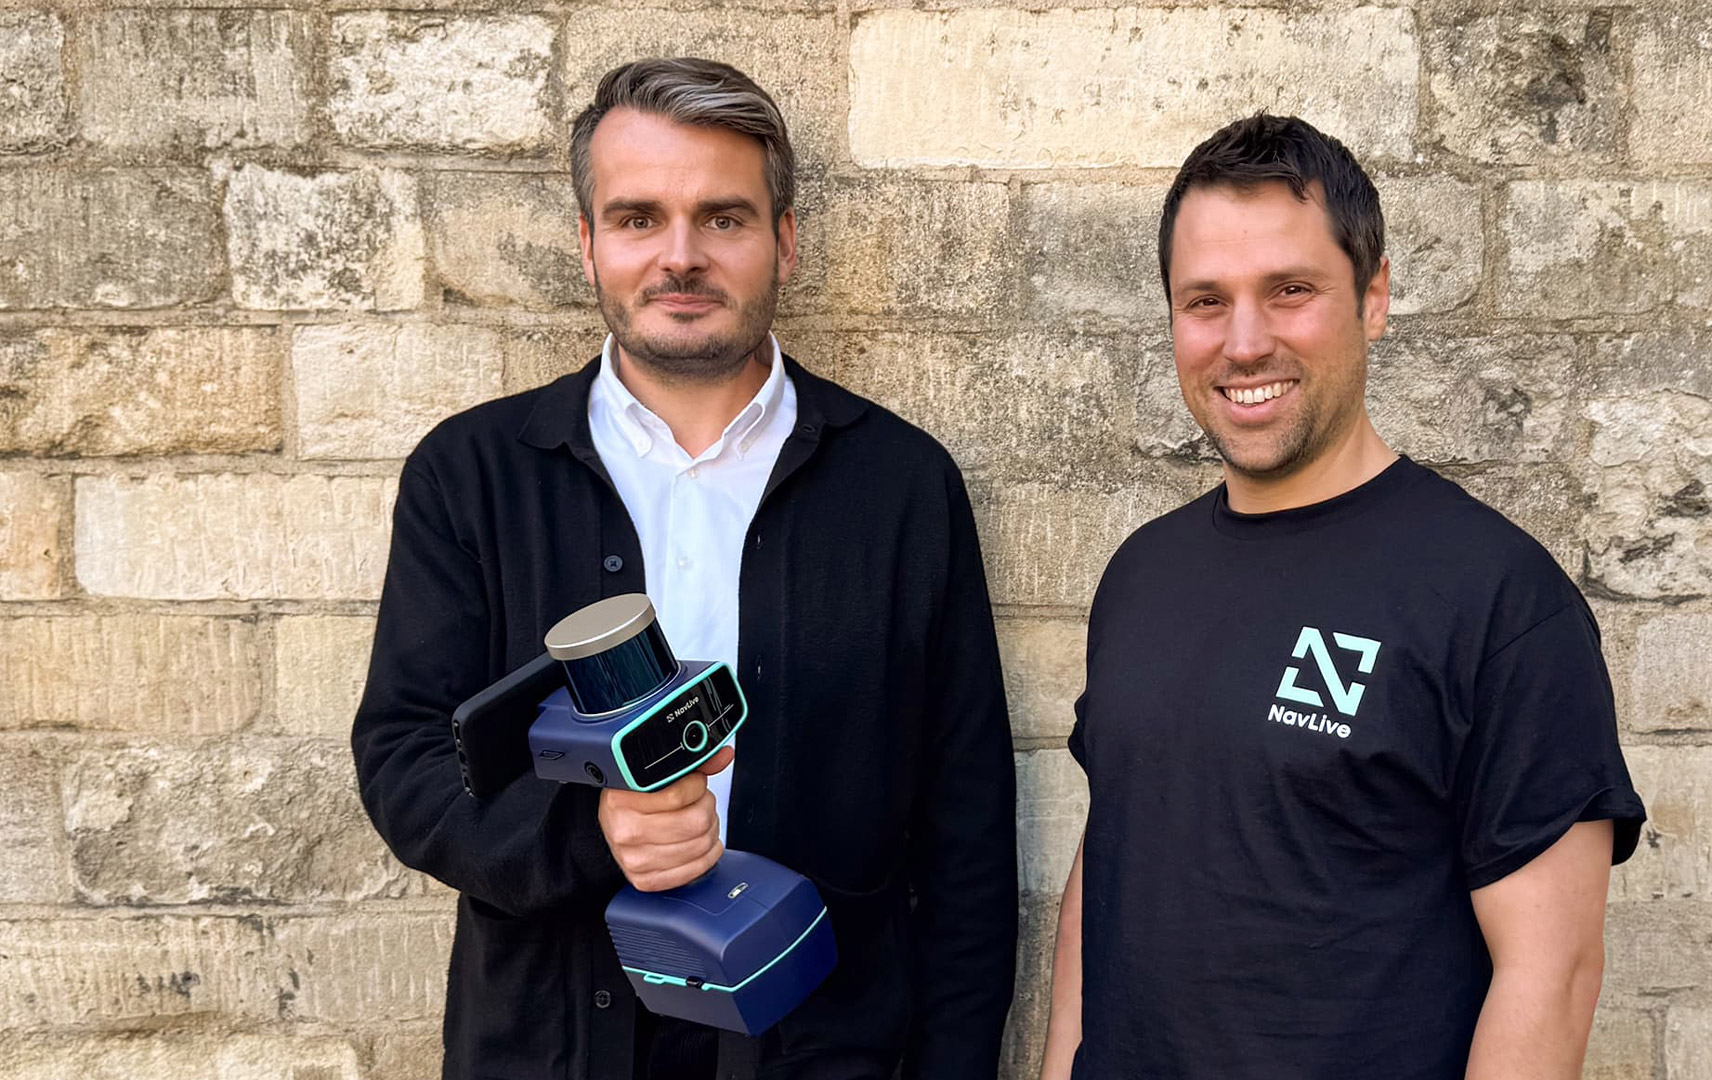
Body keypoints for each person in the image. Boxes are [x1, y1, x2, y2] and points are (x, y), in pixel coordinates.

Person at [352, 57, 1016, 1080]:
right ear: (587, 243)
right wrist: (590, 831)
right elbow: (406, 759)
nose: (681, 255)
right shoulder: (473, 475)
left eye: (723, 218)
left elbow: (965, 831)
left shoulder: (901, 486)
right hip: (553, 1047)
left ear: (784, 241)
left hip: (824, 1051)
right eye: (638, 218)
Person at [1038, 114, 1645, 1080]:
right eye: (1206, 301)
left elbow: (1552, 976)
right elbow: (1112, 860)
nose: (1244, 342)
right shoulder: (1141, 573)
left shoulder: (1498, 600)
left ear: (1374, 297)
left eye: (1290, 291)